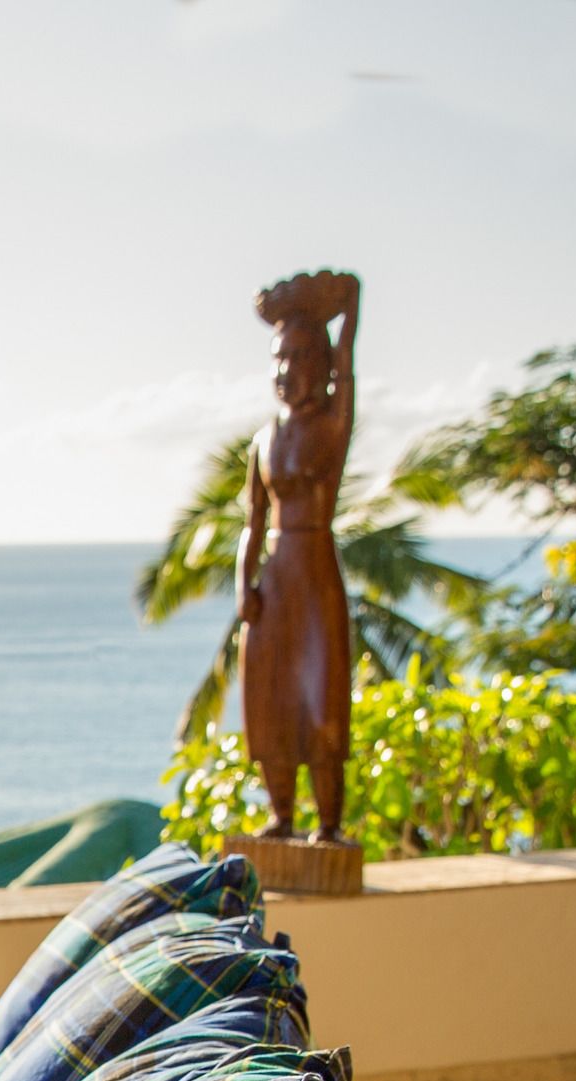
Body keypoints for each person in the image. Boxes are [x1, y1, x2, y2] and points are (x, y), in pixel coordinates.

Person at [239, 270, 360, 843]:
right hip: (275, 578)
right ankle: (281, 814)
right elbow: (252, 521)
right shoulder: (264, 440)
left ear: (324, 364)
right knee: (269, 697)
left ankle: (329, 823)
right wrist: (244, 584)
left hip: (315, 571)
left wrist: (349, 307)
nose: (287, 371)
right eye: (279, 359)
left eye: (300, 356)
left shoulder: (331, 424)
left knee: (322, 698)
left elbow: (348, 358)